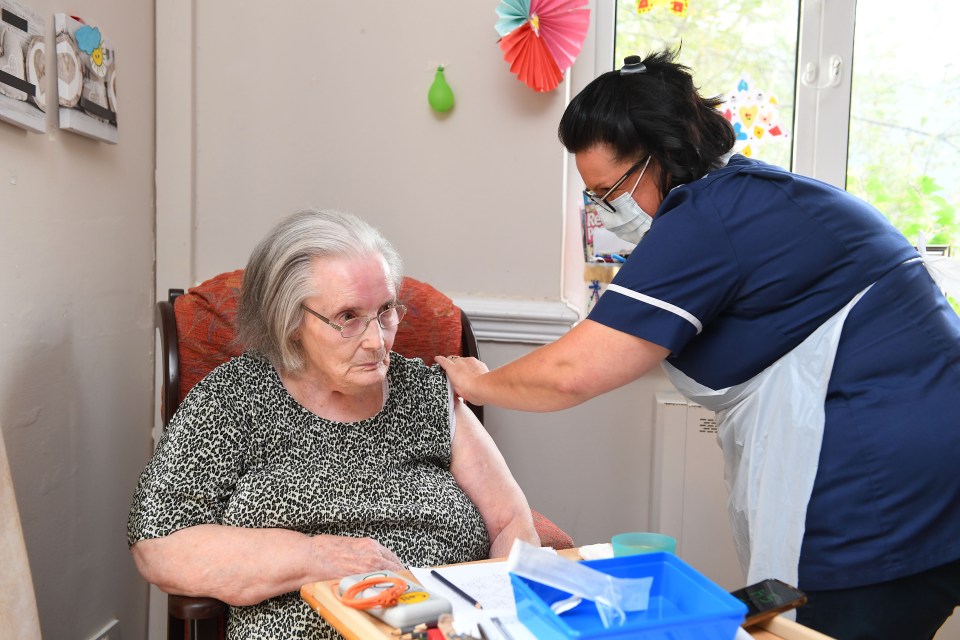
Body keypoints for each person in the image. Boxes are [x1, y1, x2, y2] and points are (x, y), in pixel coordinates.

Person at [437, 50, 960, 640]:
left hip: (884, 487)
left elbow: (572, 372)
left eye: (612, 191)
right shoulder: (755, 196)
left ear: (661, 156)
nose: (608, 212)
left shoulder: (708, 217)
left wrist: (474, 381)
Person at [127, 208, 539, 640]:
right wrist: (315, 556)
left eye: (386, 312)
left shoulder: (427, 392)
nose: (377, 341)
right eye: (348, 317)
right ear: (288, 323)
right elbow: (158, 541)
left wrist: (497, 616)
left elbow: (512, 522)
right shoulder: (232, 399)